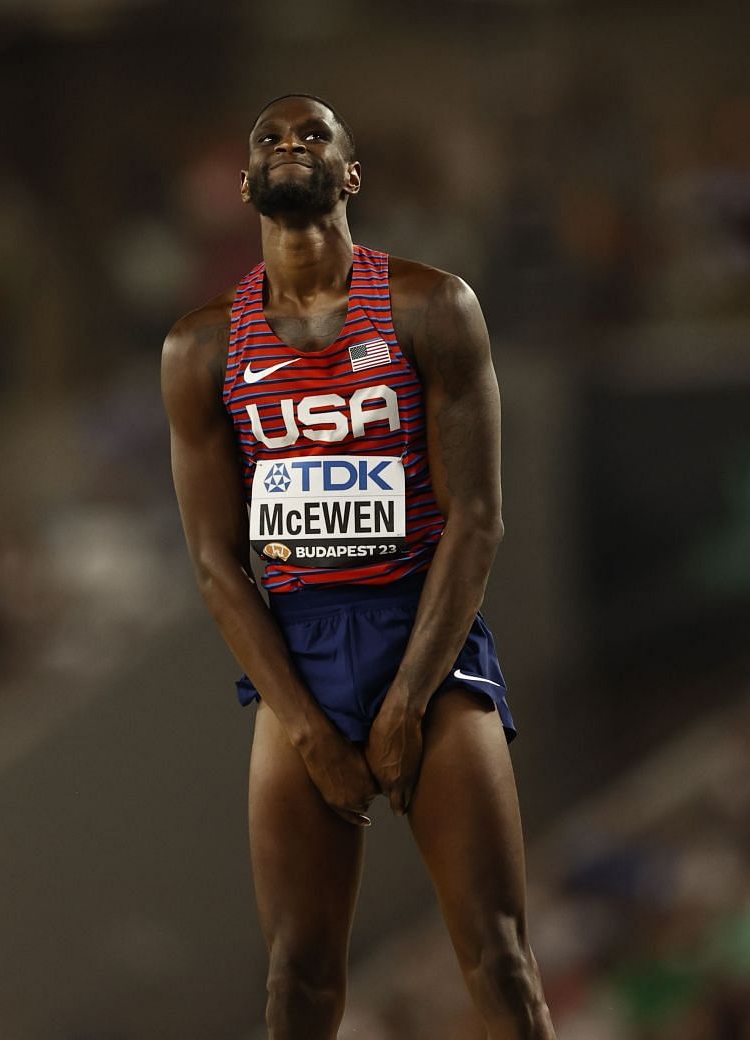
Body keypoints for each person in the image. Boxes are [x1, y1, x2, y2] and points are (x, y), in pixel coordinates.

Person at [161, 95, 555, 1038]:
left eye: (314, 136)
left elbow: (480, 519)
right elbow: (216, 560)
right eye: (269, 139)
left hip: (425, 637)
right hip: (298, 653)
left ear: (351, 175)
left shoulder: (431, 306)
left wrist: (410, 699)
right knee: (296, 976)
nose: (290, 146)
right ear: (249, 184)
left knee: (497, 952)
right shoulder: (202, 345)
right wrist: (305, 729)